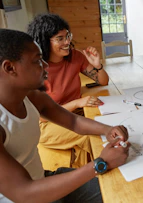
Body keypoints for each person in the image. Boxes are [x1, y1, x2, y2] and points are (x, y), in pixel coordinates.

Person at [0, 29, 130, 202]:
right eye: (38, 61)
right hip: (29, 195)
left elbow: (74, 121)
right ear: (10, 68)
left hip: (41, 180)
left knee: (120, 188)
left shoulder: (32, 97)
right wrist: (100, 163)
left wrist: (108, 129)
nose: (45, 66)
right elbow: (24, 193)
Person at [27, 13, 109, 167]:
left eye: (68, 36)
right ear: (45, 41)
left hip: (75, 114)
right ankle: (105, 175)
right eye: (60, 38)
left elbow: (103, 81)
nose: (67, 42)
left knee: (104, 124)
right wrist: (77, 103)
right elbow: (42, 117)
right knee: (92, 136)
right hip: (48, 124)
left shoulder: (75, 56)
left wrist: (97, 65)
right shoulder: (36, 69)